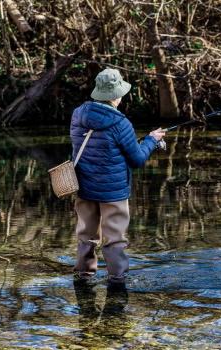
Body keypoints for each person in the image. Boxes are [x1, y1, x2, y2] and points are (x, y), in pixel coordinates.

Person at [70, 68, 165, 286]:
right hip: (113, 192)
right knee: (114, 239)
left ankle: (83, 277)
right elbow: (138, 160)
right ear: (116, 95)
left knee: (86, 235)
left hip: (83, 186)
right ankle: (117, 281)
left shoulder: (78, 115)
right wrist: (151, 140)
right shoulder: (120, 123)